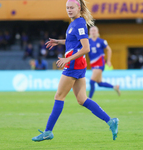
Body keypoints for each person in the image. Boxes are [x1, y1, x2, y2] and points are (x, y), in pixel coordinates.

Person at [32, 0, 119, 142]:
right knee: (82, 99)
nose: (69, 10)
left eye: (72, 7)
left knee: (59, 97)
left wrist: (68, 59)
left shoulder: (79, 24)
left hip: (74, 64)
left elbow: (86, 48)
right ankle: (111, 121)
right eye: (67, 8)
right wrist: (59, 42)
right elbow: (73, 42)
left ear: (78, 8)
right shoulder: (74, 23)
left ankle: (48, 132)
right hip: (79, 64)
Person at [88, 26, 120, 98]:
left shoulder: (101, 41)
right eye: (91, 31)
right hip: (93, 64)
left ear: (97, 32)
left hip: (100, 63)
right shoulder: (87, 41)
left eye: (94, 31)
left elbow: (109, 49)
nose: (93, 32)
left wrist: (108, 60)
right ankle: (115, 87)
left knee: (92, 81)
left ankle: (88, 99)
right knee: (100, 83)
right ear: (89, 32)